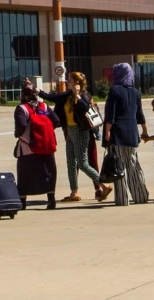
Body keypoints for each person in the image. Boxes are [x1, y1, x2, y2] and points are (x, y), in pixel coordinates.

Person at [48, 71, 104, 202]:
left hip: (84, 131)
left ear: (77, 83)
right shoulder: (68, 95)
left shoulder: (84, 95)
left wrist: (78, 95)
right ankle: (74, 192)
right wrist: (37, 91)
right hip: (70, 131)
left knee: (87, 162)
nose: (67, 82)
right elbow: (55, 99)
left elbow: (88, 110)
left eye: (70, 80)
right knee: (72, 163)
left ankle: (101, 187)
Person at [102, 63, 151, 205]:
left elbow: (111, 114)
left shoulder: (115, 91)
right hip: (132, 134)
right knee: (133, 165)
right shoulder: (136, 92)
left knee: (119, 166)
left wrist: (107, 131)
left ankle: (122, 199)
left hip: (117, 133)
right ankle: (140, 195)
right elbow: (140, 114)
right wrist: (145, 131)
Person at [13, 78, 59, 210]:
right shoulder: (44, 106)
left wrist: (18, 134)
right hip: (47, 146)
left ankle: (22, 201)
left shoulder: (21, 108)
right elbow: (56, 121)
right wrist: (45, 133)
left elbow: (21, 125)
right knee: (49, 172)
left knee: (24, 174)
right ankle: (51, 199)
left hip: (28, 147)